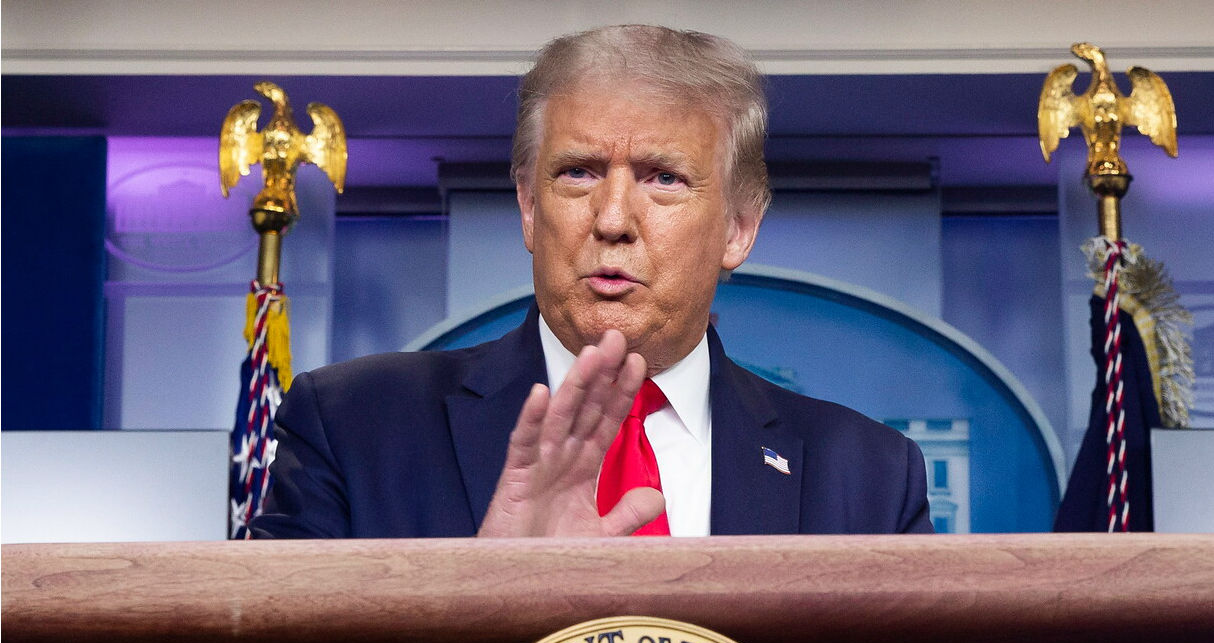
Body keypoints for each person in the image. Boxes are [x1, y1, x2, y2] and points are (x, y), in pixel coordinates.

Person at [249, 25, 932, 539]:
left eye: (664, 178)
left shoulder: (869, 477)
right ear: (528, 206)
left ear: (738, 229)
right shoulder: (353, 426)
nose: (612, 220)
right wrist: (482, 599)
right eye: (578, 172)